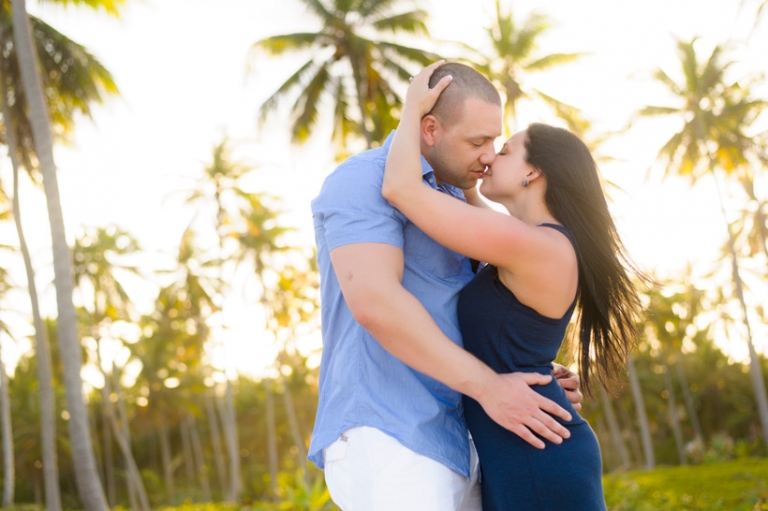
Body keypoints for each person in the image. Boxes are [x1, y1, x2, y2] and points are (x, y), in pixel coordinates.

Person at [309, 61, 585, 511]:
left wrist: (535, 374)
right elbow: (375, 303)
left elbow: (483, 313)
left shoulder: (459, 202)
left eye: (496, 141)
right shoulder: (362, 180)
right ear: (430, 128)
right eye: (478, 142)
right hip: (393, 434)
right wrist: (492, 388)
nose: (490, 155)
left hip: (470, 439)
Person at [381, 62, 643, 510]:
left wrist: (412, 110)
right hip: (522, 448)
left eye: (503, 151)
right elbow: (473, 210)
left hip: (538, 457)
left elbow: (401, 188)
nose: (488, 157)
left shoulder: (537, 246)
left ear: (532, 173)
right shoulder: (536, 242)